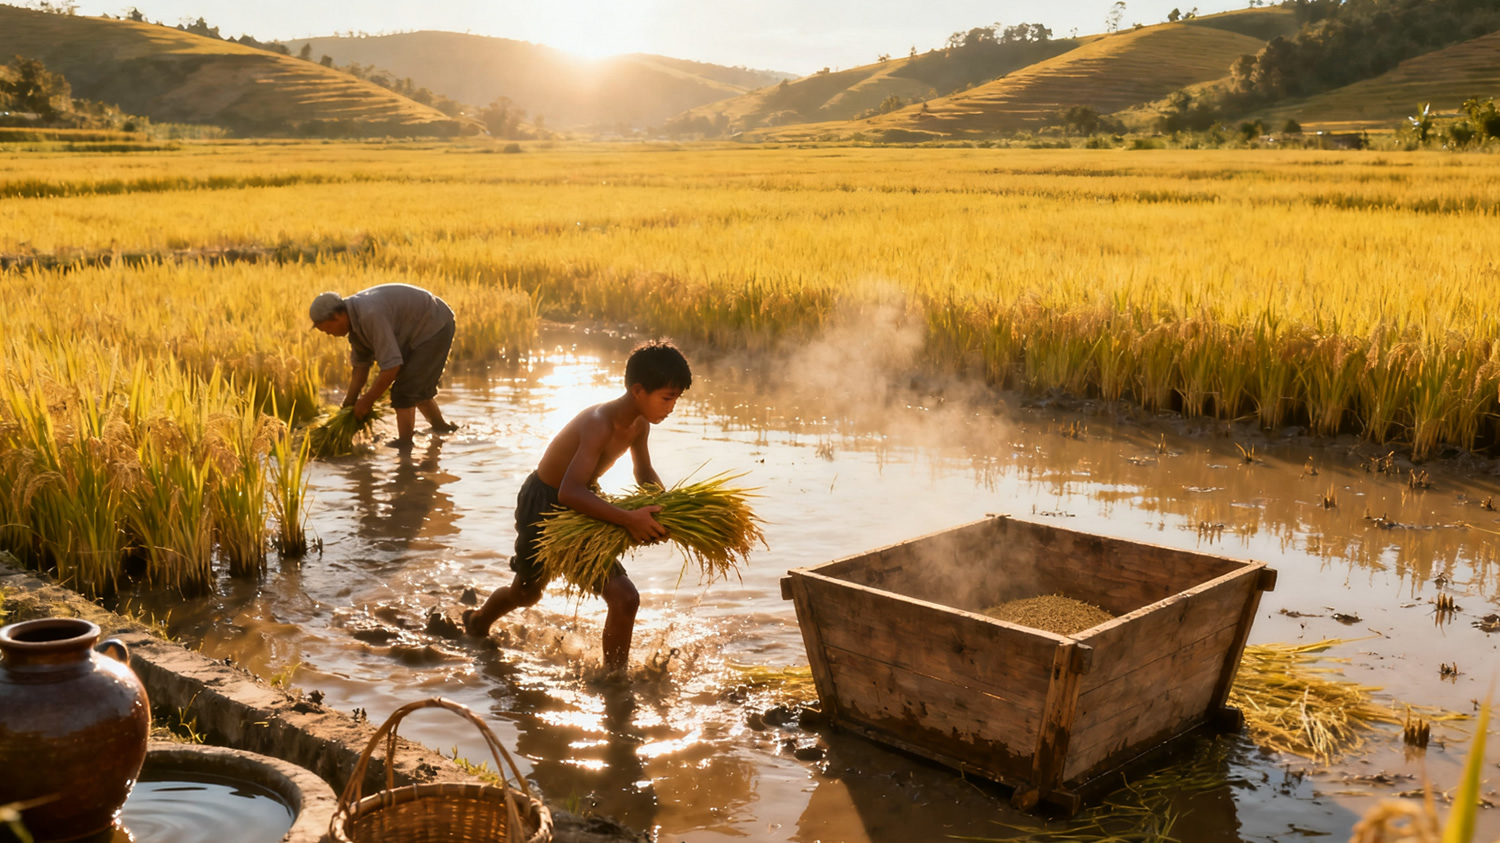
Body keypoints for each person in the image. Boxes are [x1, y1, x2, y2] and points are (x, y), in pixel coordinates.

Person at [464, 339, 693, 673]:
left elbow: (643, 471)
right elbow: (568, 492)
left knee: (624, 597)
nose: (671, 407)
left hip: (584, 499)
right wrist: (629, 518)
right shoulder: (598, 423)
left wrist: (670, 509)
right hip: (544, 504)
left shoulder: (639, 424)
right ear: (638, 390)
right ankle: (477, 623)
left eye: (676, 399)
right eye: (667, 398)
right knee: (526, 593)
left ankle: (614, 680)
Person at [309, 284, 460, 450]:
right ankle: (442, 428)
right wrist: (349, 404)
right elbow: (360, 368)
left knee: (404, 390)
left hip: (434, 325)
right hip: (414, 331)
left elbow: (392, 367)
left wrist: (367, 400)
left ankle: (405, 446)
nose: (328, 334)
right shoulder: (355, 326)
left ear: (337, 316)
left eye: (327, 329)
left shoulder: (370, 315)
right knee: (416, 388)